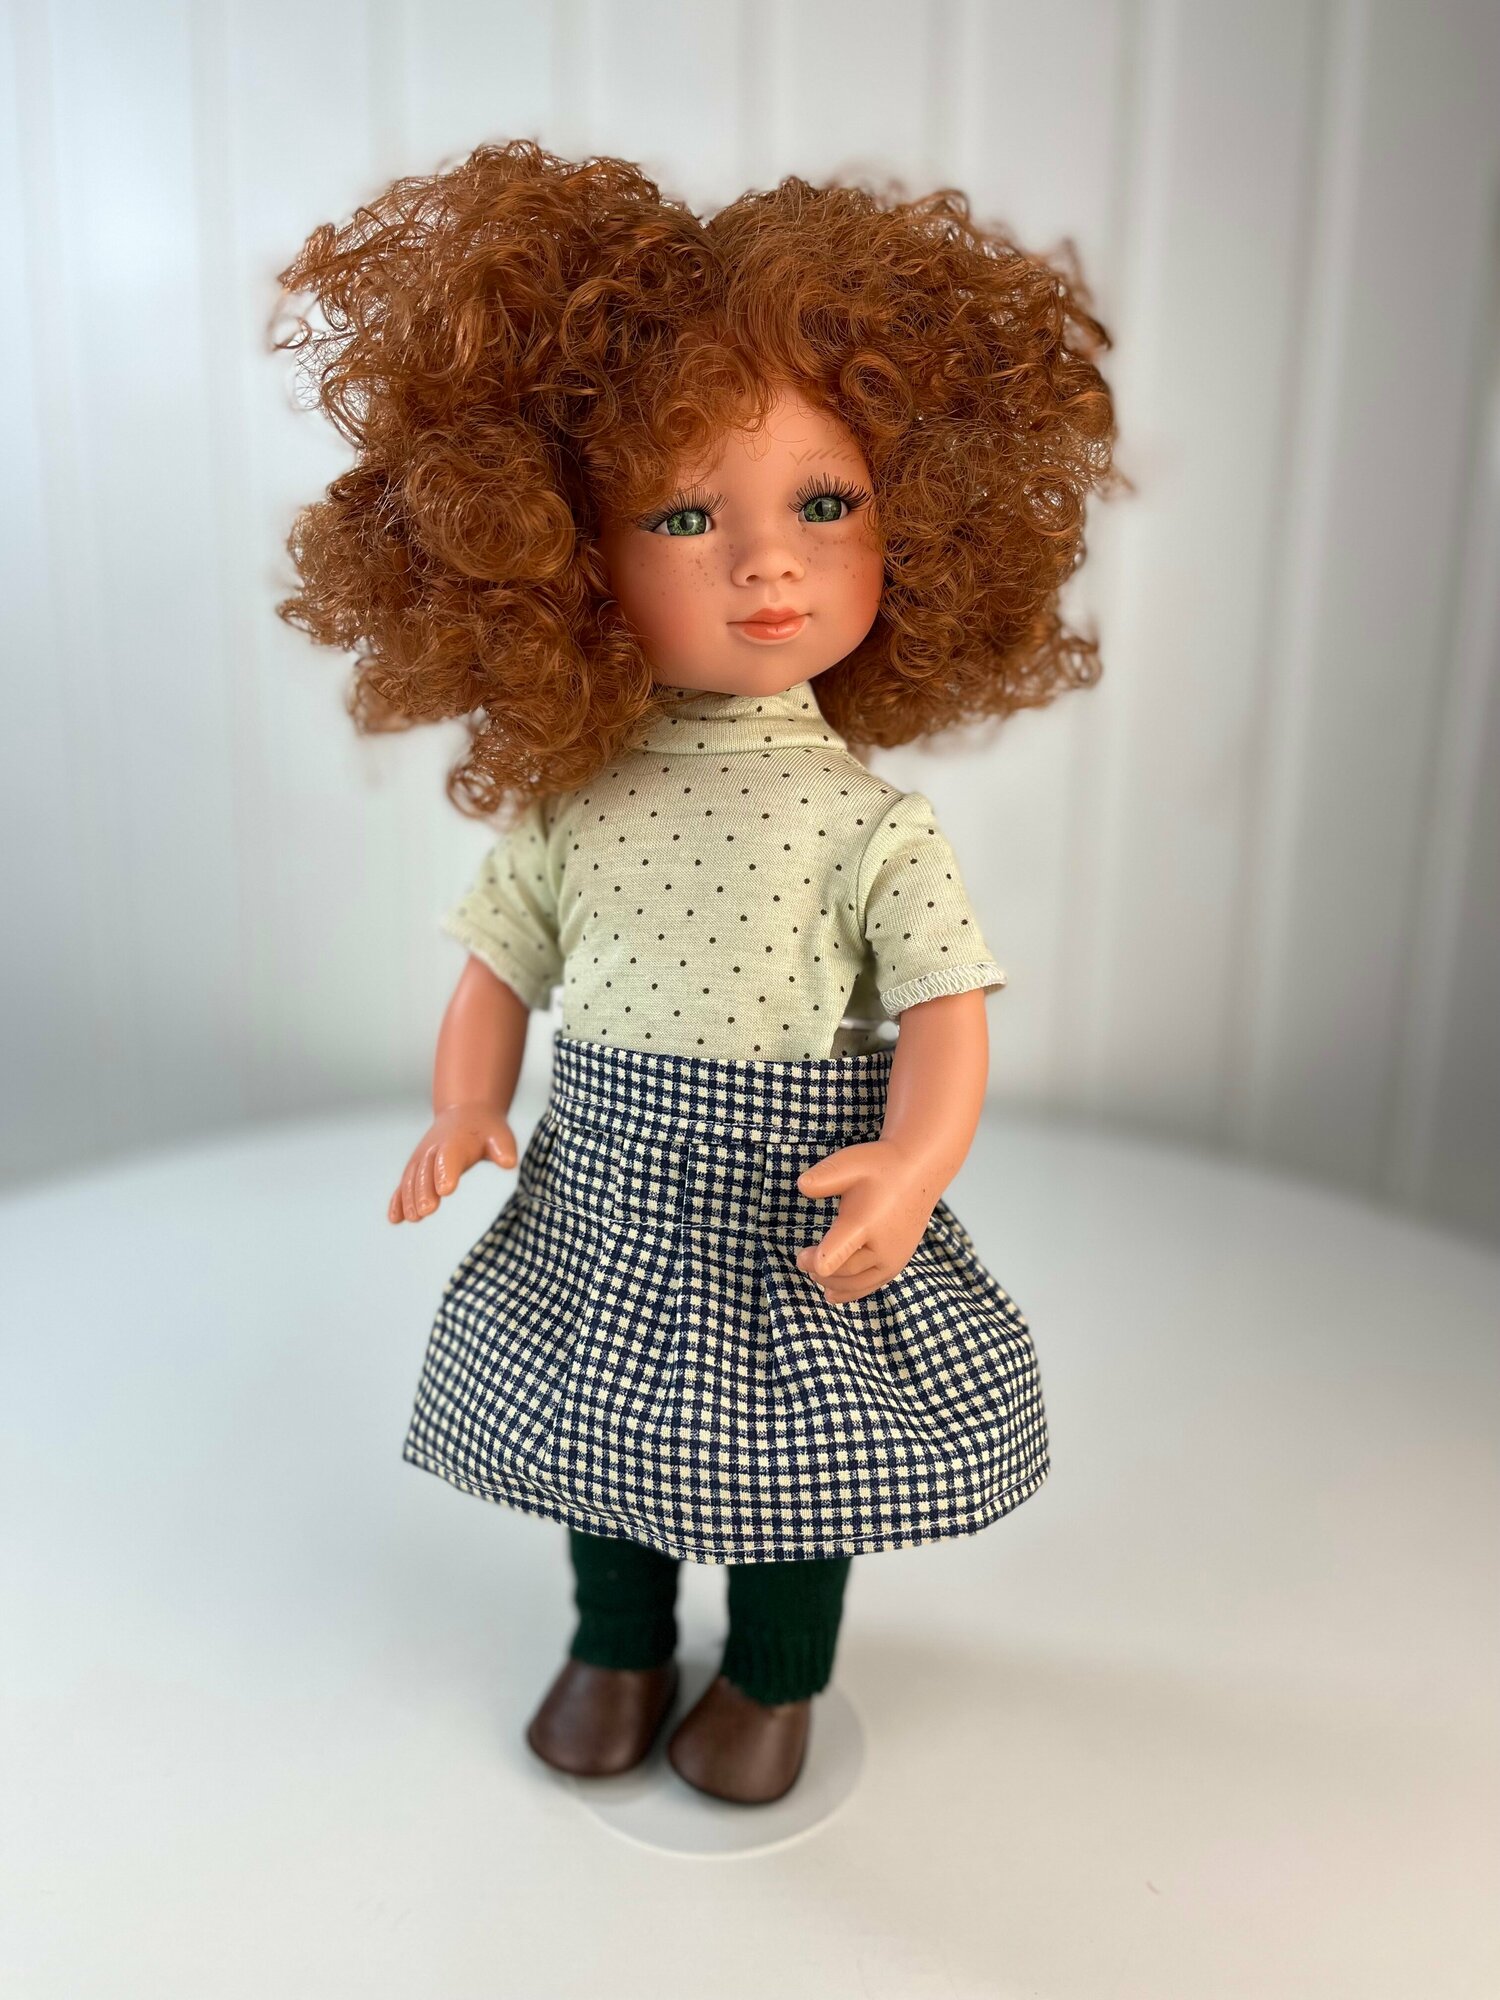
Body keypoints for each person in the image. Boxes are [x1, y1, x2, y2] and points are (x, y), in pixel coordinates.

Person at [275, 139, 1120, 1805]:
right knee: (604, 1436)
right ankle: (617, 1646)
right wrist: (466, 1102)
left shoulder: (872, 827)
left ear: (921, 523)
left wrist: (914, 1162)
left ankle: (775, 1681)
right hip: (604, 1181)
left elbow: (944, 1012)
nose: (766, 563)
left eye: (825, 503)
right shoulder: (575, 804)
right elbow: (501, 962)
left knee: (802, 1466)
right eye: (685, 515)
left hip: (790, 1193)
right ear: (563, 556)